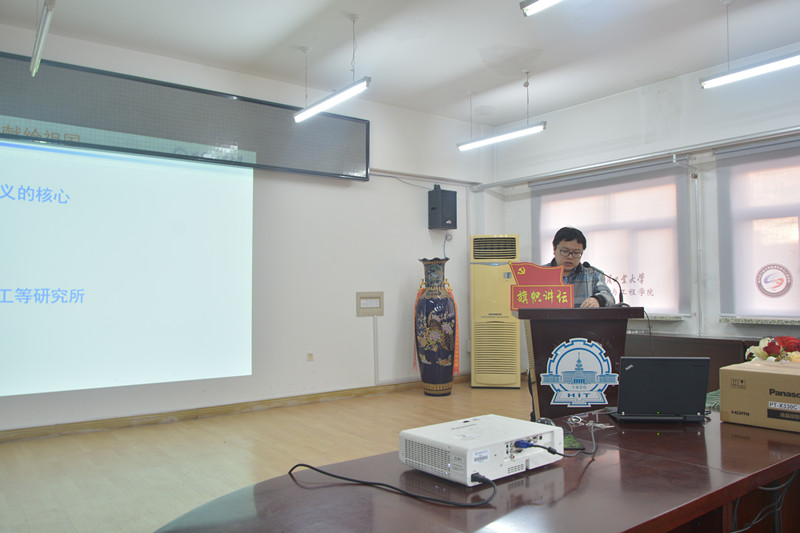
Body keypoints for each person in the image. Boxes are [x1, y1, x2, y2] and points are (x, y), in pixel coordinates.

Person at [546, 226, 615, 308]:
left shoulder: (593, 275)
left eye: (576, 253)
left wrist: (597, 300)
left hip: (581, 317)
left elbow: (609, 297)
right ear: (554, 250)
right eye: (565, 251)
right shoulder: (539, 273)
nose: (570, 257)